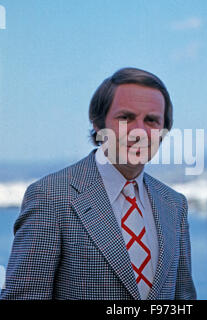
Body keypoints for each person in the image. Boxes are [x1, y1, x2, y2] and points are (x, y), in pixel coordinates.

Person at [0, 67, 196, 300]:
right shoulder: (51, 197)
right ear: (97, 124)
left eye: (151, 121)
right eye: (126, 118)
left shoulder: (174, 205)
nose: (139, 132)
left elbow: (183, 298)